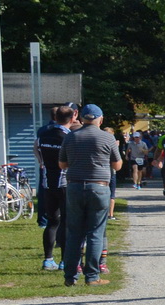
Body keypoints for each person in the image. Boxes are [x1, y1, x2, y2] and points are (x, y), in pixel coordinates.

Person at [58, 104, 122, 287]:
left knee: (74, 233)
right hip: (99, 188)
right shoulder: (107, 138)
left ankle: (70, 277)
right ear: (100, 120)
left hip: (75, 187)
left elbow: (62, 164)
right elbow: (117, 166)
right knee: (95, 232)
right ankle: (92, 276)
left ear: (82, 118)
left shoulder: (70, 137)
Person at [34, 103, 73, 271]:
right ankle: (64, 260)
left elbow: (36, 150)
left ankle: (48, 259)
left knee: (51, 222)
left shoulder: (43, 135)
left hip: (47, 183)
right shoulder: (69, 137)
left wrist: (42, 163)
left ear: (55, 118)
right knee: (66, 222)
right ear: (72, 118)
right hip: (64, 183)